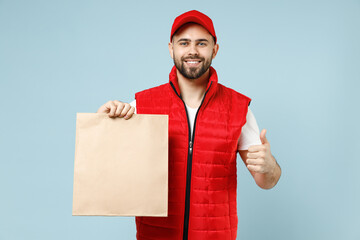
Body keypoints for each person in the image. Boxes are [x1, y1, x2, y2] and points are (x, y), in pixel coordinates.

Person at [97, 10, 281, 240]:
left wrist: (269, 166)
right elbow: (108, 169)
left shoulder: (237, 108)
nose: (192, 50)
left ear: (215, 49)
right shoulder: (142, 106)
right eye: (184, 43)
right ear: (171, 48)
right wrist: (104, 122)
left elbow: (266, 182)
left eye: (201, 43)